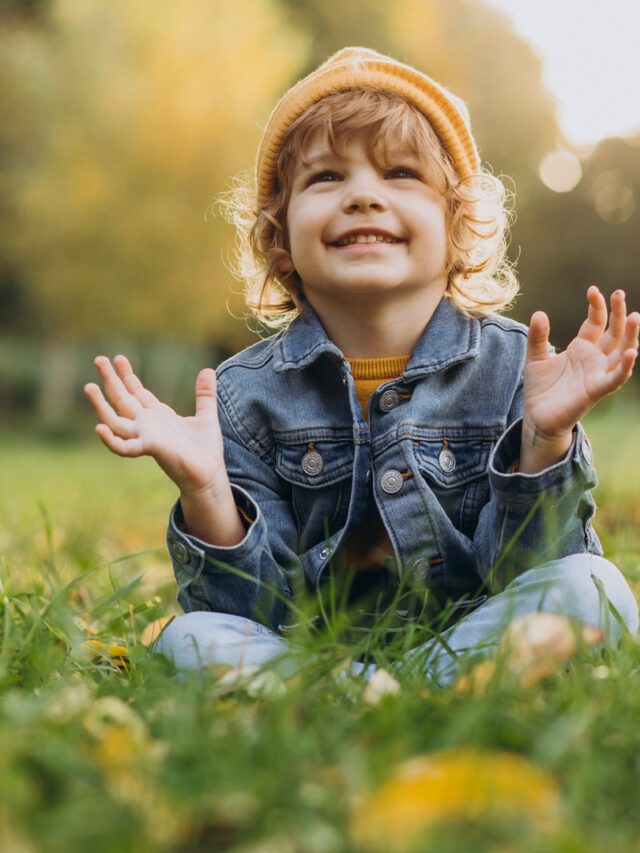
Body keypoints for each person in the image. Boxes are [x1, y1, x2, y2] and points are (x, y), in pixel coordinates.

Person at [84, 47, 640, 685]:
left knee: (592, 587)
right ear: (280, 237)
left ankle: (397, 691)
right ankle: (362, 693)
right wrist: (208, 493)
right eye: (326, 178)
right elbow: (255, 613)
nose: (363, 197)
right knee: (190, 638)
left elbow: (527, 575)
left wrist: (545, 442)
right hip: (312, 662)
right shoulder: (244, 398)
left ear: (456, 225)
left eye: (400, 173)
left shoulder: (516, 370)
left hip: (475, 641)